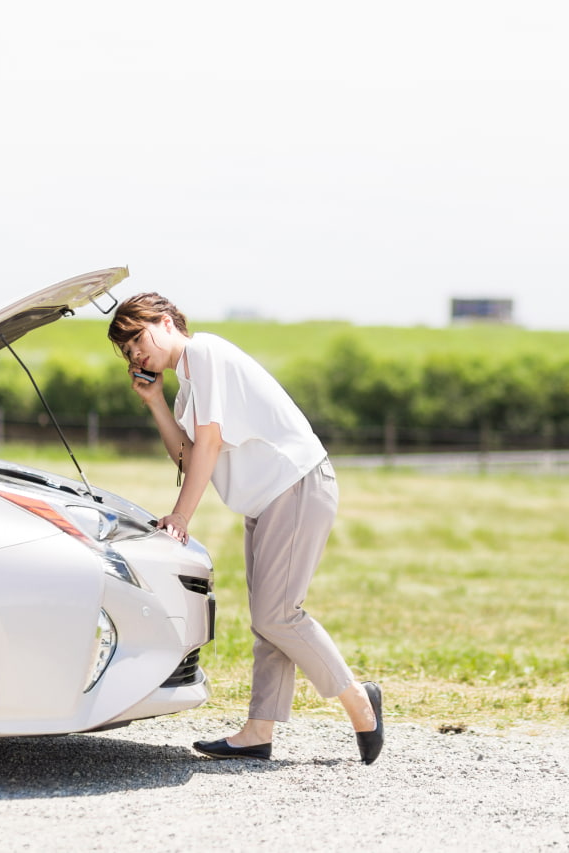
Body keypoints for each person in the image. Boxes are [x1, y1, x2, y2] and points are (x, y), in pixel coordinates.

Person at [107, 292, 383, 765]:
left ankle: (360, 701)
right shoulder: (187, 387)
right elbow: (188, 456)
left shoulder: (205, 354)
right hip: (267, 500)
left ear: (167, 321)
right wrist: (153, 401)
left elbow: (210, 444)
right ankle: (258, 732)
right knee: (269, 620)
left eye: (138, 337)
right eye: (128, 351)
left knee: (279, 615)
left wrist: (182, 517)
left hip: (295, 485)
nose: (137, 353)